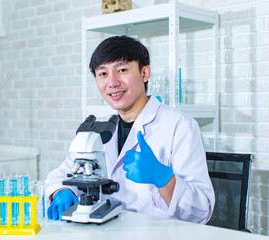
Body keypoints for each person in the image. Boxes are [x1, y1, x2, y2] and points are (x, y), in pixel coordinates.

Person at [45, 35, 215, 224]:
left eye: (122, 70)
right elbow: (62, 174)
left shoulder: (180, 126)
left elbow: (202, 211)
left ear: (145, 73)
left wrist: (164, 179)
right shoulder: (96, 129)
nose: (112, 82)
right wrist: (62, 192)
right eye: (103, 74)